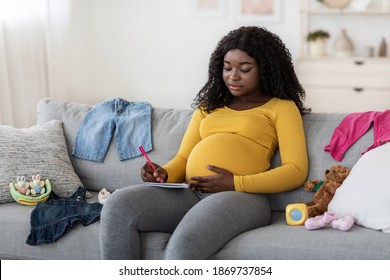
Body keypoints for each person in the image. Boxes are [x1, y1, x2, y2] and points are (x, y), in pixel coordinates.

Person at [100, 26, 309, 259]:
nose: (233, 76)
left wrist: (235, 182)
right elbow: (184, 158)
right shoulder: (209, 107)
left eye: (245, 69)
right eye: (227, 68)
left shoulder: (281, 107)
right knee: (117, 206)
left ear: (266, 70)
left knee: (181, 248)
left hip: (244, 198)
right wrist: (164, 173)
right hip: (189, 193)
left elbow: (296, 170)